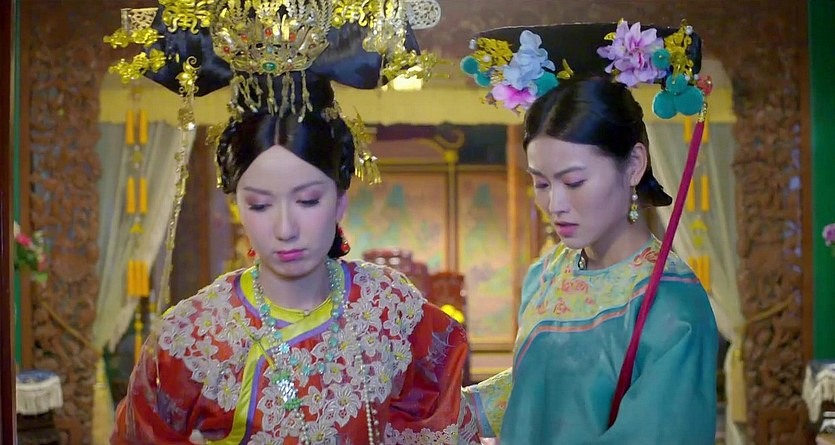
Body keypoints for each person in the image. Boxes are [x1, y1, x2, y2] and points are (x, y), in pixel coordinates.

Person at [108, 2, 477, 444]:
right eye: (260, 205)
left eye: (307, 200)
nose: (285, 228)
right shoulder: (193, 334)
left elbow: (440, 422)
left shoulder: (391, 310)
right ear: (236, 204)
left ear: (340, 199)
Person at [460, 22, 718, 444]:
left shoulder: (671, 305)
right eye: (541, 182)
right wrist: (449, 409)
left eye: (574, 181)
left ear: (633, 165)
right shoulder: (547, 272)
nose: (555, 204)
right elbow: (541, 387)